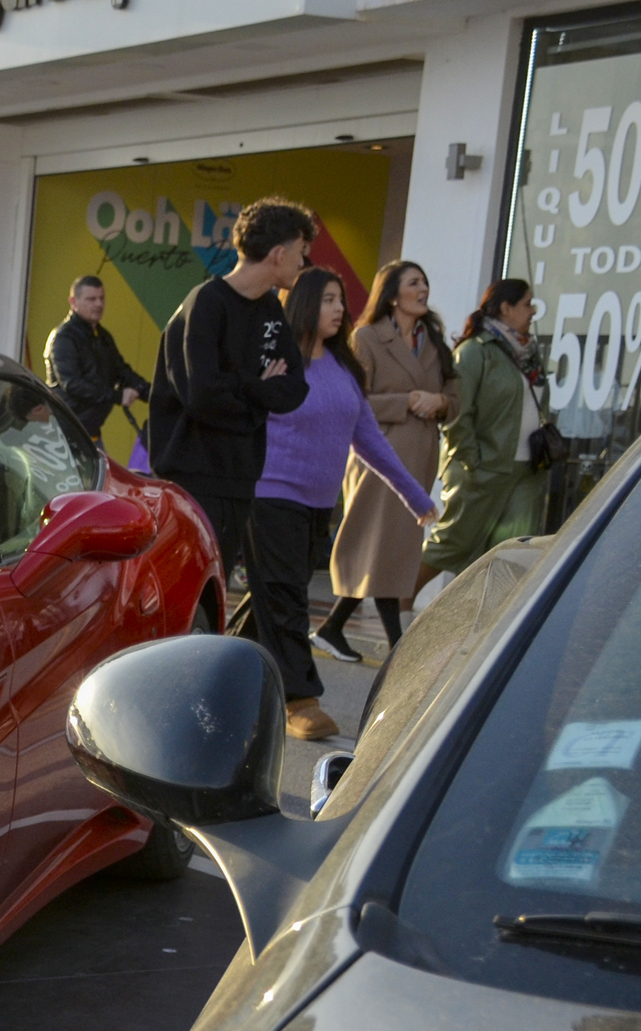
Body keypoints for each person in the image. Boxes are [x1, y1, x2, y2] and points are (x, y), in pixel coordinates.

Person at [250, 268, 439, 740]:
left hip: (317, 506)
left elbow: (370, 440)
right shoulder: (277, 361)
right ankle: (300, 700)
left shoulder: (342, 368)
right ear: (305, 304)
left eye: (341, 300)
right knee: (287, 597)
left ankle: (224, 678)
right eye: (329, 300)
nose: (339, 309)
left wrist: (416, 498)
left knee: (270, 601)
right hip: (270, 497)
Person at [147, 196, 315, 606]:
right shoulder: (206, 303)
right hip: (192, 475)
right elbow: (203, 396)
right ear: (278, 255)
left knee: (215, 587)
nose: (302, 265)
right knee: (184, 590)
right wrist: (258, 388)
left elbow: (294, 388)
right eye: (300, 254)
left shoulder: (271, 310)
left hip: (241, 475)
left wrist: (243, 389)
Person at [316, 259, 458, 663]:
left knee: (392, 548)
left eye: (425, 282)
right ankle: (398, 646)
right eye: (414, 283)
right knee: (376, 544)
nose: (424, 289)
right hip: (378, 457)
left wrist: (442, 402)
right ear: (393, 294)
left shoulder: (434, 341)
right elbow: (353, 401)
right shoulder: (367, 338)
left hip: (420, 456)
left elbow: (457, 400)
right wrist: (407, 401)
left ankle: (333, 628)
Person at [422, 278, 548, 578]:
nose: (533, 311)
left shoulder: (528, 354)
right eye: (527, 304)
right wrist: (472, 461)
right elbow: (457, 411)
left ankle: (488, 622)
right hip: (482, 466)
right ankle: (399, 612)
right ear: (506, 308)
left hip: (525, 469)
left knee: (511, 552)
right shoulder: (475, 351)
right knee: (452, 544)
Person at [45, 274, 148, 436]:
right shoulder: (63, 338)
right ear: (73, 302)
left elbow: (121, 372)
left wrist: (152, 393)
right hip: (64, 432)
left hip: (88, 432)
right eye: (91, 299)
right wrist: (117, 396)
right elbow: (72, 384)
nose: (99, 304)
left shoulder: (103, 336)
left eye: (101, 298)